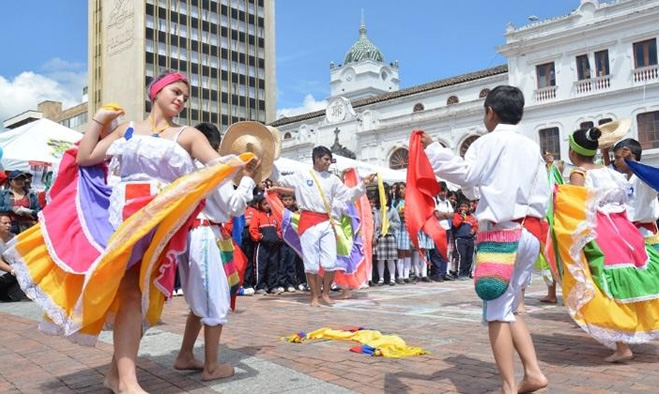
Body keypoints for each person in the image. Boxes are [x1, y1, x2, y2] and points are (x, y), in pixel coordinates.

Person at [4, 71, 257, 394]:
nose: (180, 99)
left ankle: (117, 375)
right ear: (156, 92)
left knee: (135, 297)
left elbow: (221, 167)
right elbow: (85, 157)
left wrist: (245, 164)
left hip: (160, 225)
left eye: (185, 96)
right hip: (122, 219)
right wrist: (98, 120)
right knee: (130, 294)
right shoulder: (127, 130)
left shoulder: (189, 135)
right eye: (175, 92)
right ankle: (125, 380)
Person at [420, 85, 548, 393]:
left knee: (495, 310)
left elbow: (467, 175)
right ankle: (532, 372)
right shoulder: (531, 146)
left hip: (503, 233)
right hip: (531, 232)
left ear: (490, 112)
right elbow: (478, 187)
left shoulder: (487, 143)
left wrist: (433, 148)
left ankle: (507, 387)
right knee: (512, 305)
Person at [554, 128, 659, 363]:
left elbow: (577, 210)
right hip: (627, 231)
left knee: (606, 286)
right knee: (634, 282)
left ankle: (623, 346)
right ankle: (631, 334)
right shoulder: (612, 174)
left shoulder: (578, 175)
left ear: (572, 152)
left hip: (601, 232)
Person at [174, 122, 257, 381]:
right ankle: (211, 367)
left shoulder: (184, 169)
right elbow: (233, 206)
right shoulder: (213, 168)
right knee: (214, 301)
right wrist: (246, 181)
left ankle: (185, 354)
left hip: (189, 236)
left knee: (200, 301)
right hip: (205, 234)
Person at [271, 146, 374, 307]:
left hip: (327, 222)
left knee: (331, 262)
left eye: (329, 160)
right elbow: (279, 179)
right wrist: (269, 161)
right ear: (317, 159)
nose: (328, 163)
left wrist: (362, 185)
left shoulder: (332, 179)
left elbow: (347, 196)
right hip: (308, 221)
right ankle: (314, 296)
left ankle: (326, 294)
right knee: (311, 263)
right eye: (326, 159)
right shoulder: (302, 176)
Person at [249, 193, 283, 295]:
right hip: (262, 245)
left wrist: (278, 237)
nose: (267, 206)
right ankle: (259, 286)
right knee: (261, 266)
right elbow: (253, 230)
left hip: (274, 245)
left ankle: (272, 286)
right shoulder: (257, 215)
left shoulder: (275, 215)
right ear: (259, 205)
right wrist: (261, 237)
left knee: (273, 265)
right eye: (264, 204)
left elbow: (280, 229)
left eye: (269, 204)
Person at [373, 188, 401, 286]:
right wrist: (375, 236)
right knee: (381, 258)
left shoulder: (392, 210)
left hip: (390, 235)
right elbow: (375, 224)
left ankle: (392, 278)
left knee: (391, 258)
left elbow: (398, 224)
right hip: (381, 236)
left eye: (385, 196)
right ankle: (381, 278)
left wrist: (389, 224)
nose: (383, 198)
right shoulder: (376, 210)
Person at [452, 200, 478, 280]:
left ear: (468, 208)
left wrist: (473, 230)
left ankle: (466, 273)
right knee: (462, 256)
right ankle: (460, 273)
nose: (463, 208)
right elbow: (455, 224)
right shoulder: (456, 215)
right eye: (462, 206)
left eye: (465, 207)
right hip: (460, 239)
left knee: (469, 257)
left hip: (470, 239)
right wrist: (462, 217)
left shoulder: (471, 217)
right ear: (459, 208)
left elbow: (475, 225)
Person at [393, 183, 413, 283]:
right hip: (399, 228)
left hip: (409, 227)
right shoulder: (395, 202)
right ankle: (400, 276)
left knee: (408, 252)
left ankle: (406, 275)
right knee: (401, 252)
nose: (401, 191)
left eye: (402, 188)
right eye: (399, 189)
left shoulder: (411, 201)